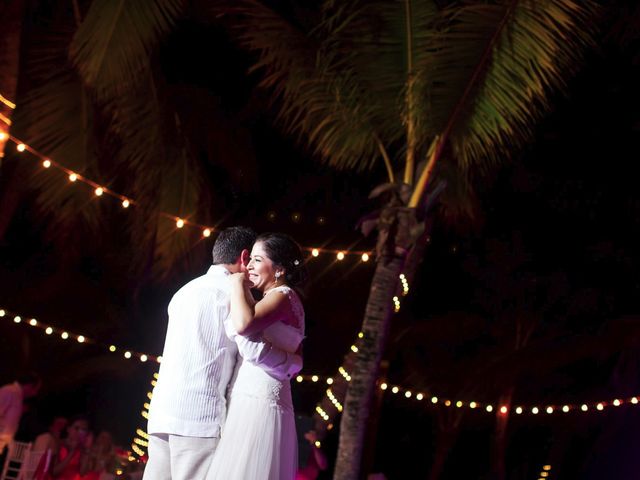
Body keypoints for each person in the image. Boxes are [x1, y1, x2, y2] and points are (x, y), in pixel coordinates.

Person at [144, 226, 303, 480]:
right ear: (242, 257)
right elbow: (249, 343)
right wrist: (292, 362)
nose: (251, 266)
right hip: (200, 418)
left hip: (161, 415)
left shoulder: (182, 292)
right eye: (250, 259)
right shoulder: (235, 296)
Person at [207, 232, 307, 480]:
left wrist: (237, 284)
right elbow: (295, 358)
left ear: (279, 269)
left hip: (259, 400)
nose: (249, 265)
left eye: (257, 259)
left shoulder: (283, 296)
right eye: (250, 258)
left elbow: (244, 324)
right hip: (254, 395)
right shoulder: (280, 298)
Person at [0, 372, 41, 452]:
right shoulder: (9, 391)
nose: (35, 393)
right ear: (29, 386)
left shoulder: (17, 396)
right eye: (35, 389)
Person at [51, 415, 92, 480]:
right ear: (68, 429)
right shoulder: (58, 444)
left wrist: (87, 449)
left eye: (83, 430)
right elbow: (53, 472)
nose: (79, 432)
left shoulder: (82, 448)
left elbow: (82, 473)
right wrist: (72, 452)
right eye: (76, 428)